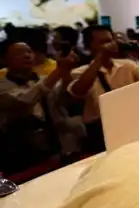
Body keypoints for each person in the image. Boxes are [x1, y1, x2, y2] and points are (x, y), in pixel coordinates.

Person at [0, 41, 83, 175]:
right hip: (22, 155)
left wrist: (66, 70)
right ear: (4, 60)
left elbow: (65, 98)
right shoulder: (2, 86)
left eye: (29, 51)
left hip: (59, 148)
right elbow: (25, 100)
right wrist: (59, 70)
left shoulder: (45, 79)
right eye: (19, 53)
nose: (27, 56)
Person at [67, 25, 139, 153]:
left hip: (130, 122)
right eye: (102, 43)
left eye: (110, 40)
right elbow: (79, 91)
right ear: (89, 47)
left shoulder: (129, 66)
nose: (109, 45)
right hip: (100, 131)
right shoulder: (80, 72)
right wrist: (101, 57)